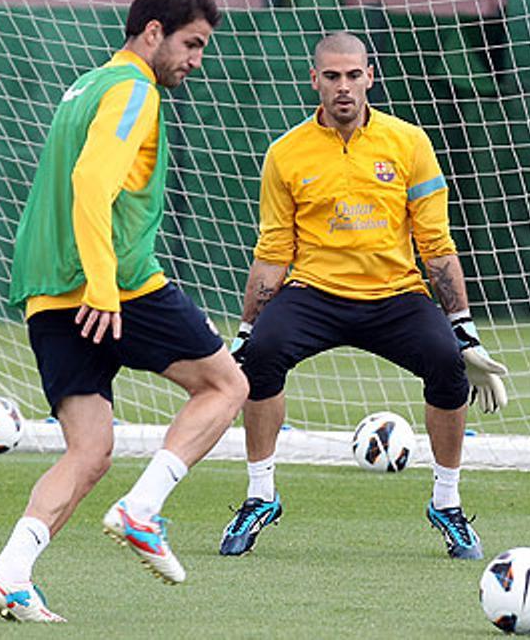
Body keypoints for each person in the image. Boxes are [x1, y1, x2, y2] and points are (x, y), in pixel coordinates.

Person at [0, 0, 248, 623]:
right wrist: (102, 286)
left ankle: (9, 573)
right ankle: (143, 509)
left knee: (90, 449)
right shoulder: (132, 88)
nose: (196, 60)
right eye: (191, 43)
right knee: (226, 385)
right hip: (113, 286)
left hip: (47, 293)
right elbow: (92, 182)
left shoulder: (84, 86)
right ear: (153, 32)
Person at [218, 32, 509, 561]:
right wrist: (245, 331)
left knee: (448, 362)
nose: (344, 87)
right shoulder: (285, 153)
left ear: (370, 77)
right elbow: (274, 251)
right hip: (314, 293)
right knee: (260, 356)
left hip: (395, 295)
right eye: (332, 76)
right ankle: (260, 495)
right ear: (315, 80)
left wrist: (464, 330)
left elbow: (436, 246)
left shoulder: (409, 143)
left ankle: (447, 504)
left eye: (353, 75)